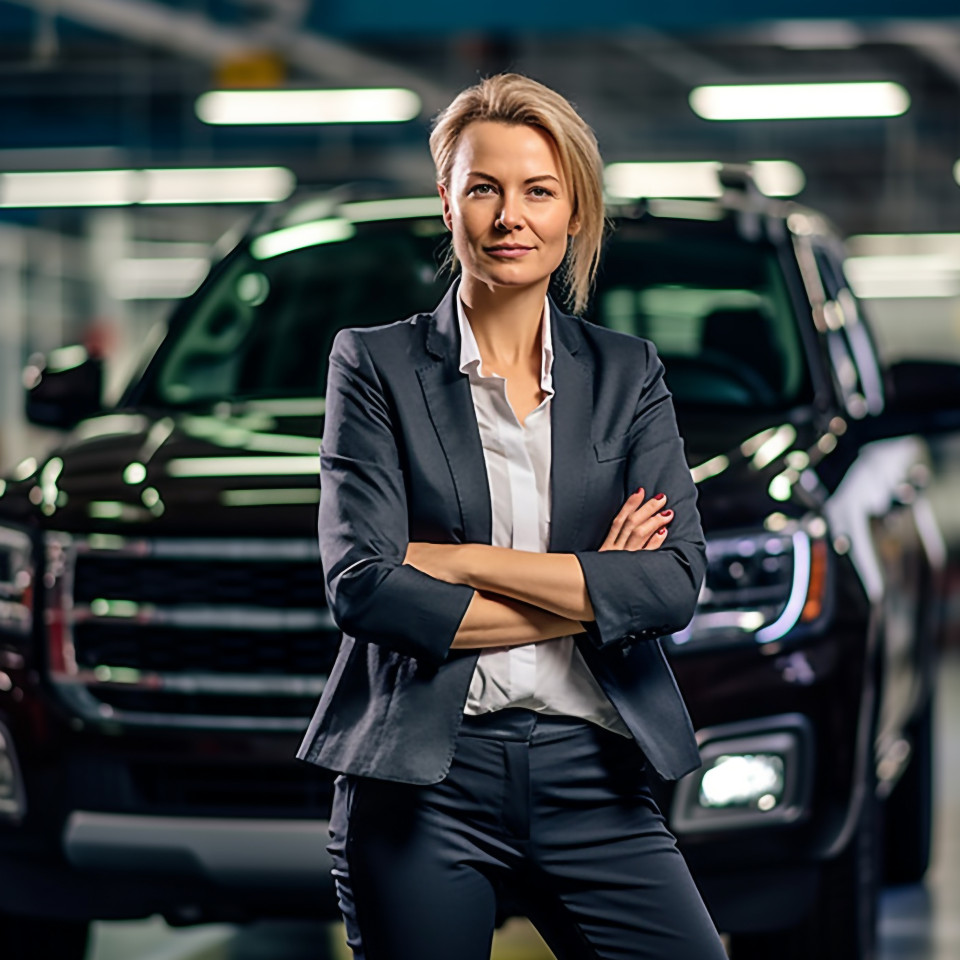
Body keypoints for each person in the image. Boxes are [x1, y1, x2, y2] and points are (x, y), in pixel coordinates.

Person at [297, 73, 727, 960]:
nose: (508, 218)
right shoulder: (373, 366)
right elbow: (366, 588)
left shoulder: (627, 375)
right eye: (483, 188)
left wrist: (456, 562)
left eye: (538, 191)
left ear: (574, 212)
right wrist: (594, 591)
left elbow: (671, 583)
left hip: (594, 777)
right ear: (446, 201)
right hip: (423, 780)